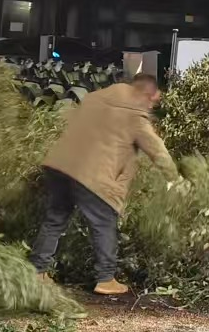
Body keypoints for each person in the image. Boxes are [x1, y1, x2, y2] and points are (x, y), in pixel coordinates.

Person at [30, 72, 177, 295]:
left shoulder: (95, 99)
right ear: (145, 94)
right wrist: (175, 178)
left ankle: (38, 271)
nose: (151, 106)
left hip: (60, 164)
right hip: (92, 172)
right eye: (153, 101)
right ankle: (106, 279)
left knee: (56, 218)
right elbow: (157, 151)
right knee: (104, 222)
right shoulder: (135, 115)